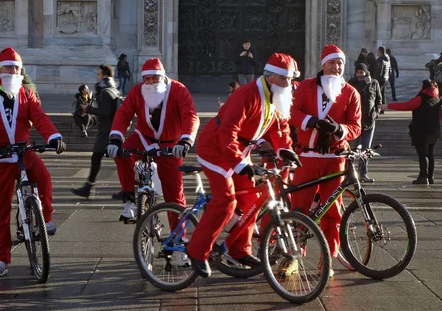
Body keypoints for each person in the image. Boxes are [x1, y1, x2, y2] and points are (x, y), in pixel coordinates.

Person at [186, 53, 300, 278]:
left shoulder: (274, 95)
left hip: (239, 150)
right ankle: (197, 251)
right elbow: (228, 132)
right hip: (215, 149)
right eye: (285, 79)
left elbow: (279, 126)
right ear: (271, 77)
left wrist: (284, 149)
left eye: (291, 79)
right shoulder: (246, 94)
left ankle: (239, 249)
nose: (290, 84)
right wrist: (239, 164)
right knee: (226, 200)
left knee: (251, 198)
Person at [0, 47, 66, 278]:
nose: (13, 71)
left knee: (43, 177)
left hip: (23, 152)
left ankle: (47, 219)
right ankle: (0, 259)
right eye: (9, 67)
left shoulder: (25, 94)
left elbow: (39, 117)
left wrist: (53, 137)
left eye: (17, 68)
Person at [289, 45, 362, 268]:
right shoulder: (305, 87)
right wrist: (311, 122)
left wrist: (338, 130)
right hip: (307, 157)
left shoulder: (351, 93)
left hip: (334, 159)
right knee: (299, 208)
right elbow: (291, 111)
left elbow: (356, 126)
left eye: (340, 63)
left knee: (332, 212)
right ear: (323, 64)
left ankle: (327, 260)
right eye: (332, 62)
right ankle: (293, 256)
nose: (337, 66)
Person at [107, 58, 199, 224]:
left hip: (171, 144)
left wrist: (186, 140)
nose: (151, 82)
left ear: (163, 77)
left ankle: (178, 240)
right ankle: (129, 201)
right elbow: (124, 113)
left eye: (155, 78)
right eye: (147, 79)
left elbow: (190, 115)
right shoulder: (137, 91)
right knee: (122, 154)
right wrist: (115, 138)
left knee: (174, 195)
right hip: (143, 137)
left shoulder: (178, 90)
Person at [71, 66, 121, 199]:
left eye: (98, 74)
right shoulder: (114, 89)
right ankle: (88, 187)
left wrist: (88, 109)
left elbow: (105, 112)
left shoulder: (105, 92)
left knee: (98, 158)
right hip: (113, 129)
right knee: (119, 160)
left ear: (104, 75)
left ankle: (88, 188)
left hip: (106, 131)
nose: (97, 76)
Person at [381, 80, 440, 185]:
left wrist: (388, 106)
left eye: (421, 85)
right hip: (434, 130)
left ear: (424, 87)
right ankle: (430, 177)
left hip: (421, 130)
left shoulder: (421, 98)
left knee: (422, 154)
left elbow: (406, 106)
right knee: (430, 154)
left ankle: (423, 177)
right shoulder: (436, 98)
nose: (419, 87)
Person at [347, 63, 382, 182]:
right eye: (358, 72)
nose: (360, 75)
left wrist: (376, 112)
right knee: (352, 149)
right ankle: (350, 174)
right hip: (354, 121)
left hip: (369, 121)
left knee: (366, 150)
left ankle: (363, 173)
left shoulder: (374, 83)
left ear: (366, 72)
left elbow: (379, 99)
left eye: (362, 72)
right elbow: (352, 94)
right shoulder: (351, 83)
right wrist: (364, 83)